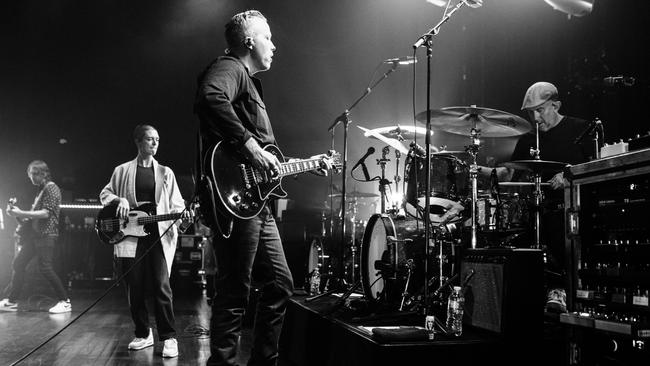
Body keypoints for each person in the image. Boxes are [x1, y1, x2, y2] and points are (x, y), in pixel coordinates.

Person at [194, 10, 331, 366]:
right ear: (249, 41)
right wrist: (249, 146)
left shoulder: (251, 83)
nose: (275, 44)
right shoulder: (229, 68)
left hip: (257, 203)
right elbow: (210, 97)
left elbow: (266, 160)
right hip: (237, 201)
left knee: (279, 286)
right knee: (235, 289)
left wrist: (307, 163)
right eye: (268, 37)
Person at [493, 81, 591, 313]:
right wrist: (473, 172)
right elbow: (509, 173)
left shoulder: (580, 129)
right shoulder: (528, 138)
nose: (535, 118)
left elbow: (595, 165)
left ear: (555, 105)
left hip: (573, 209)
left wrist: (569, 175)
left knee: (557, 228)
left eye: (540, 110)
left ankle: (560, 289)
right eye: (530, 112)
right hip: (535, 209)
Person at [99, 124, 188, 358]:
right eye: (150, 139)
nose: (155, 143)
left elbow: (178, 206)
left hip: (157, 235)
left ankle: (169, 337)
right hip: (129, 235)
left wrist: (184, 218)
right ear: (138, 142)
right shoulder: (121, 171)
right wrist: (119, 200)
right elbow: (104, 194)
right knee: (134, 287)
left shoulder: (165, 172)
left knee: (161, 286)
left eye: (157, 139)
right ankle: (143, 333)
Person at [0, 160, 71, 314]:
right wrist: (16, 215)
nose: (31, 177)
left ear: (44, 173)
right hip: (35, 236)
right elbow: (32, 219)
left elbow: (46, 213)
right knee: (19, 263)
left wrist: (20, 213)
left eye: (34, 174)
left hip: (46, 235)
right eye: (30, 174)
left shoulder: (52, 188)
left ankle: (65, 301)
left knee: (45, 267)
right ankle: (12, 301)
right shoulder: (41, 190)